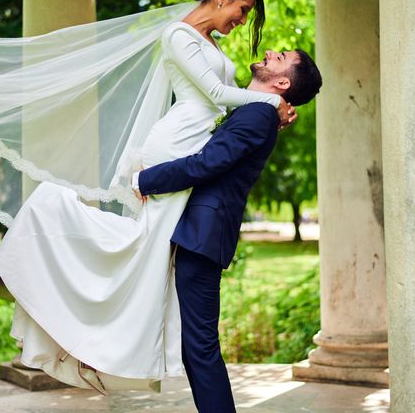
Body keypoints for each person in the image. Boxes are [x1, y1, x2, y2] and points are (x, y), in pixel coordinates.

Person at [0, 0, 296, 394]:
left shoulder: (206, 41)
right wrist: (271, 105)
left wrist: (268, 110)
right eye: (243, 10)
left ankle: (105, 346)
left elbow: (227, 109)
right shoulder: (178, 34)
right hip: (176, 142)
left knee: (146, 253)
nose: (242, 21)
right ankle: (59, 250)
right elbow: (213, 95)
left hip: (193, 141)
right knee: (144, 251)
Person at [134, 49, 322, 411]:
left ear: (282, 82)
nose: (269, 52)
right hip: (198, 231)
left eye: (280, 56)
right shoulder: (257, 111)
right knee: (196, 347)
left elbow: (208, 163)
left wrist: (145, 180)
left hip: (203, 234)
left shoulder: (257, 115)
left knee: (200, 347)